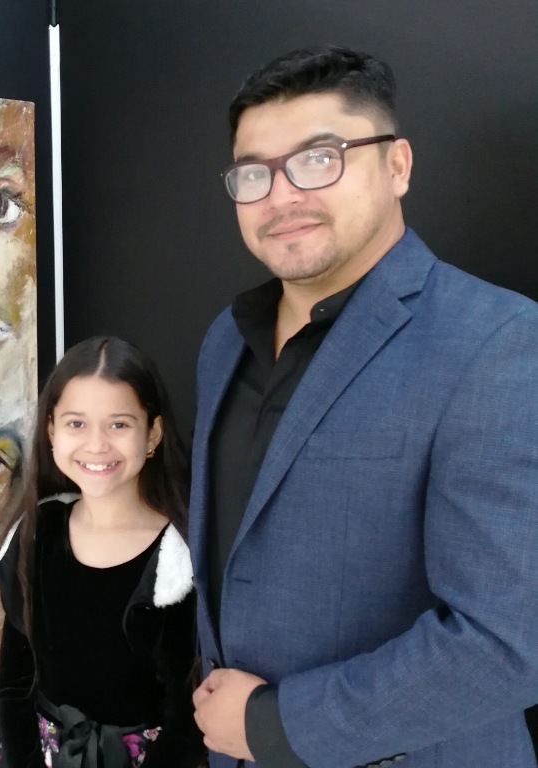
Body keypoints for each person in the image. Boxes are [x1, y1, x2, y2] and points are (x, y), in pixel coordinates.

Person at [189, 45, 538, 768]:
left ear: (397, 165)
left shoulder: (497, 342)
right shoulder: (224, 340)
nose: (280, 196)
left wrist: (271, 726)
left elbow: (508, 642)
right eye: (253, 173)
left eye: (319, 159)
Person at [0, 336, 204, 768]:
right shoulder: (37, 534)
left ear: (153, 433)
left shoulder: (179, 561)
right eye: (76, 424)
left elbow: (187, 717)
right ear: (51, 430)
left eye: (118, 425)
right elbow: (14, 683)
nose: (96, 445)